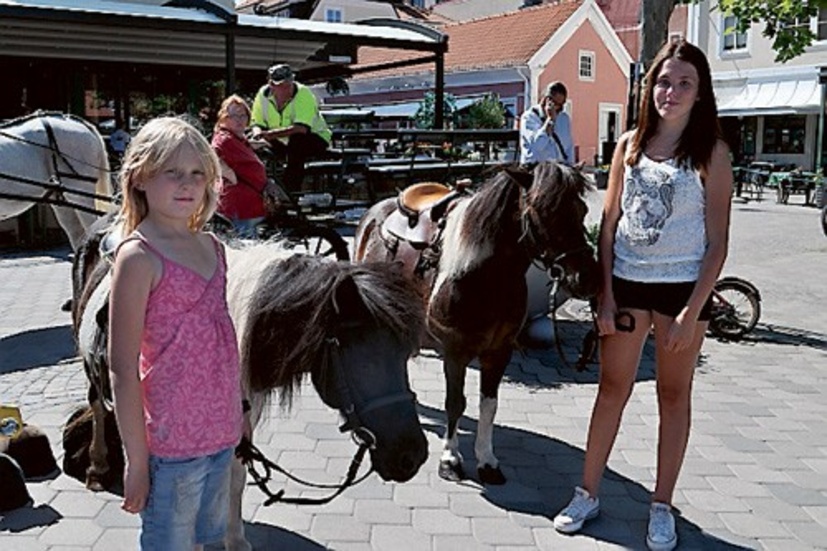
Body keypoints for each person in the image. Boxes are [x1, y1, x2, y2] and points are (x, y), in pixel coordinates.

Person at [552, 39, 732, 551]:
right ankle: (586, 493)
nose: (670, 92)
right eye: (662, 81)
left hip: (682, 294)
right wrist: (604, 297)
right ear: (648, 86)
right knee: (612, 389)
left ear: (700, 94)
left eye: (683, 83)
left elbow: (718, 244)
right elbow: (609, 225)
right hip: (628, 285)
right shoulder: (628, 145)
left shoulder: (712, 154)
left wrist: (691, 312)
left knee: (673, 396)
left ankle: (661, 504)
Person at [108, 117, 248, 551]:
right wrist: (135, 459)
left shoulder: (214, 249)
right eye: (172, 172)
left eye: (197, 174)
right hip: (172, 446)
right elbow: (122, 368)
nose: (187, 184)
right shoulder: (138, 258)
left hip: (221, 436)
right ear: (140, 178)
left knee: (208, 540)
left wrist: (239, 415)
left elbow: (222, 345)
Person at [249, 63, 332, 193]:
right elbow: (256, 122)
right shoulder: (262, 94)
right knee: (248, 145)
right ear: (271, 85)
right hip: (281, 140)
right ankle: (256, 190)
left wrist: (269, 135)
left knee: (297, 142)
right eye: (281, 86)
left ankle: (291, 192)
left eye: (289, 84)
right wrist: (257, 135)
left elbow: (301, 128)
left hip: (316, 139)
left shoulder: (303, 93)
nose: (287, 89)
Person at [212, 95, 271, 238]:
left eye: (242, 115)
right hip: (240, 206)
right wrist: (228, 172)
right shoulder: (225, 139)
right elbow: (211, 155)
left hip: (249, 206)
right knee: (246, 251)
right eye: (233, 115)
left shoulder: (238, 138)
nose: (239, 119)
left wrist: (254, 145)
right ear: (224, 118)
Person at [519, 81, 575, 165]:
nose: (559, 109)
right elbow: (538, 145)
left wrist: (571, 166)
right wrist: (550, 120)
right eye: (556, 104)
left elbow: (568, 147)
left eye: (561, 105)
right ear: (546, 100)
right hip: (535, 166)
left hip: (559, 167)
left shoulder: (564, 118)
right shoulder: (529, 117)